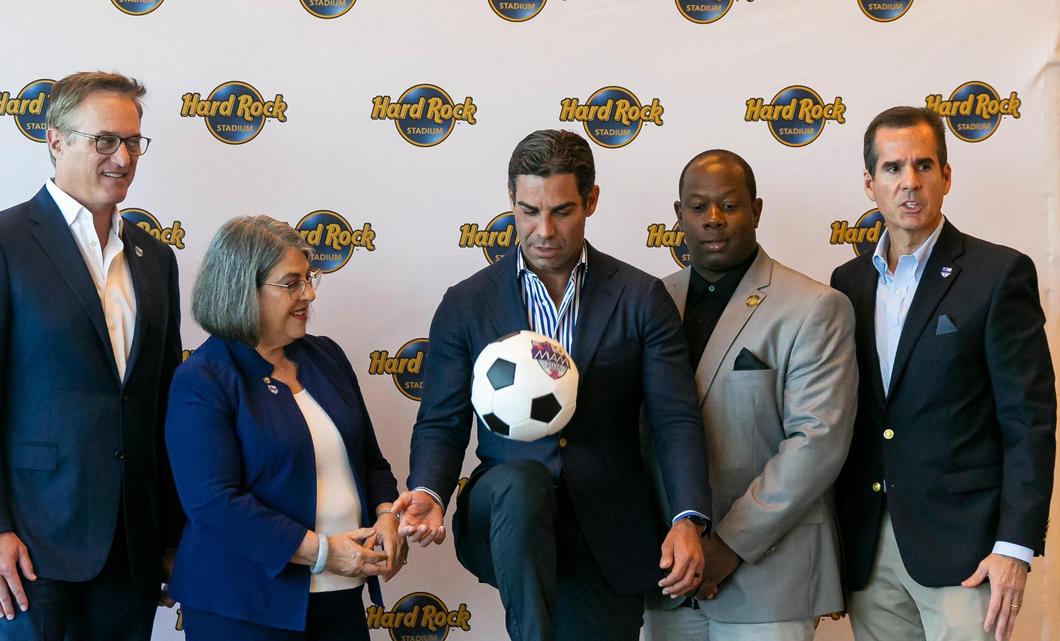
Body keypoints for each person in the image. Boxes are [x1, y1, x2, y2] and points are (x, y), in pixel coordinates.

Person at [392, 129, 712, 641]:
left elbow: (674, 419)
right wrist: (429, 489)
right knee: (522, 481)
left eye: (562, 211)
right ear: (511, 201)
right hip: (506, 512)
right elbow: (441, 421)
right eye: (528, 210)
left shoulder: (640, 297)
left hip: (608, 527)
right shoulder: (466, 303)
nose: (543, 230)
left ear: (591, 201)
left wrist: (688, 517)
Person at [0, 71, 183, 640]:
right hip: (29, 549)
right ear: (54, 140)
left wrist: (171, 535)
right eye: (104, 140)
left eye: (132, 142)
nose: (122, 157)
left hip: (133, 547)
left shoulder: (154, 258)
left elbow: (161, 406)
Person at [830, 106, 1056, 641]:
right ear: (869, 183)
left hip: (967, 552)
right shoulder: (847, 283)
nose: (909, 183)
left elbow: (1029, 420)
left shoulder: (998, 274)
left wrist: (1015, 548)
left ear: (946, 176)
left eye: (924, 166)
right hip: (869, 549)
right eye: (892, 169)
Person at [642, 150, 857, 641]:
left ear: (756, 211)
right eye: (698, 207)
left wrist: (727, 546)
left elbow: (816, 443)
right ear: (679, 216)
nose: (713, 220)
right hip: (667, 580)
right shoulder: (651, 300)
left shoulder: (814, 307)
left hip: (769, 578)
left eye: (729, 205)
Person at [164, 216, 405, 641]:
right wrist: (324, 553)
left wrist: (387, 517)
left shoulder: (325, 356)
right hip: (244, 608)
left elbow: (371, 462)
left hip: (339, 596)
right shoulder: (203, 379)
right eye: (291, 283)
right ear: (242, 289)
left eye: (309, 279)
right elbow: (214, 503)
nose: (308, 294)